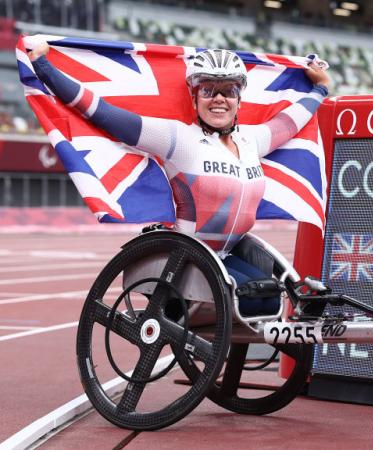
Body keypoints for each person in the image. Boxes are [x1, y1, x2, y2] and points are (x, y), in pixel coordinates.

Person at [27, 39, 331, 317]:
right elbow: (104, 114)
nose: (219, 99)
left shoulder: (252, 140)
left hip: (229, 253)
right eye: (208, 89)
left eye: (230, 90)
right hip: (189, 258)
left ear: (240, 97)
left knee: (270, 299)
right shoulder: (178, 138)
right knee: (252, 299)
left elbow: (290, 121)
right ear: (194, 94)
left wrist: (320, 89)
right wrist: (43, 66)